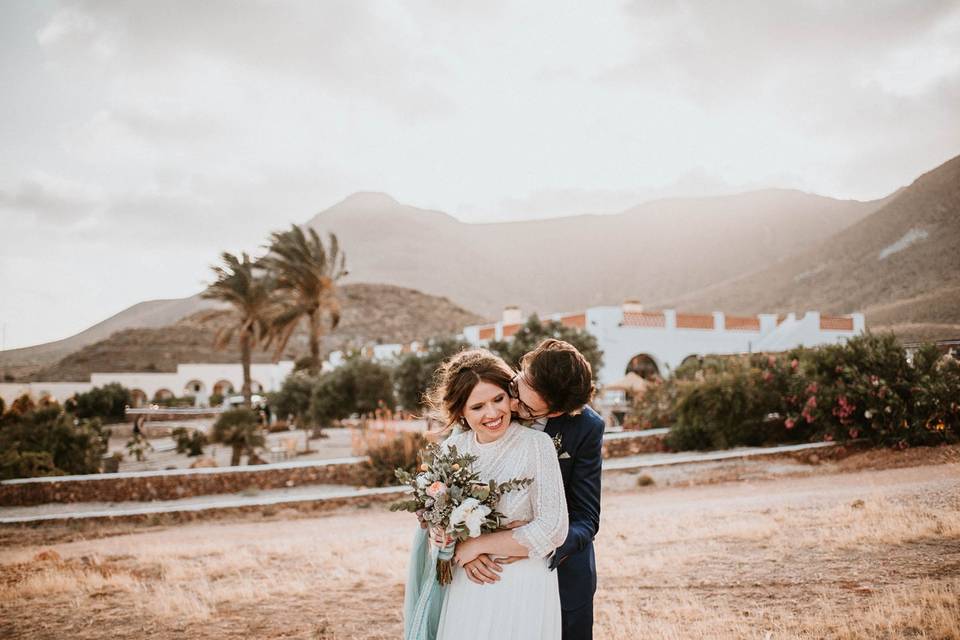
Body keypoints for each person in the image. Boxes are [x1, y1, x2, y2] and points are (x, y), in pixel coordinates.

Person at [405, 349, 568, 640]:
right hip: (467, 586)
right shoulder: (451, 452)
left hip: (524, 586)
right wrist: (456, 548)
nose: (492, 414)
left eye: (498, 399)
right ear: (461, 413)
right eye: (477, 406)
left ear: (511, 396)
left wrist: (477, 545)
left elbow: (553, 528)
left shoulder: (537, 445)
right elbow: (437, 530)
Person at [463, 338, 602, 640]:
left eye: (525, 407)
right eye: (515, 387)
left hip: (560, 574)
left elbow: (587, 517)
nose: (510, 405)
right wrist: (465, 545)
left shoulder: (587, 428)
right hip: (489, 578)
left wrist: (540, 539)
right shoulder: (492, 398)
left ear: (554, 413)